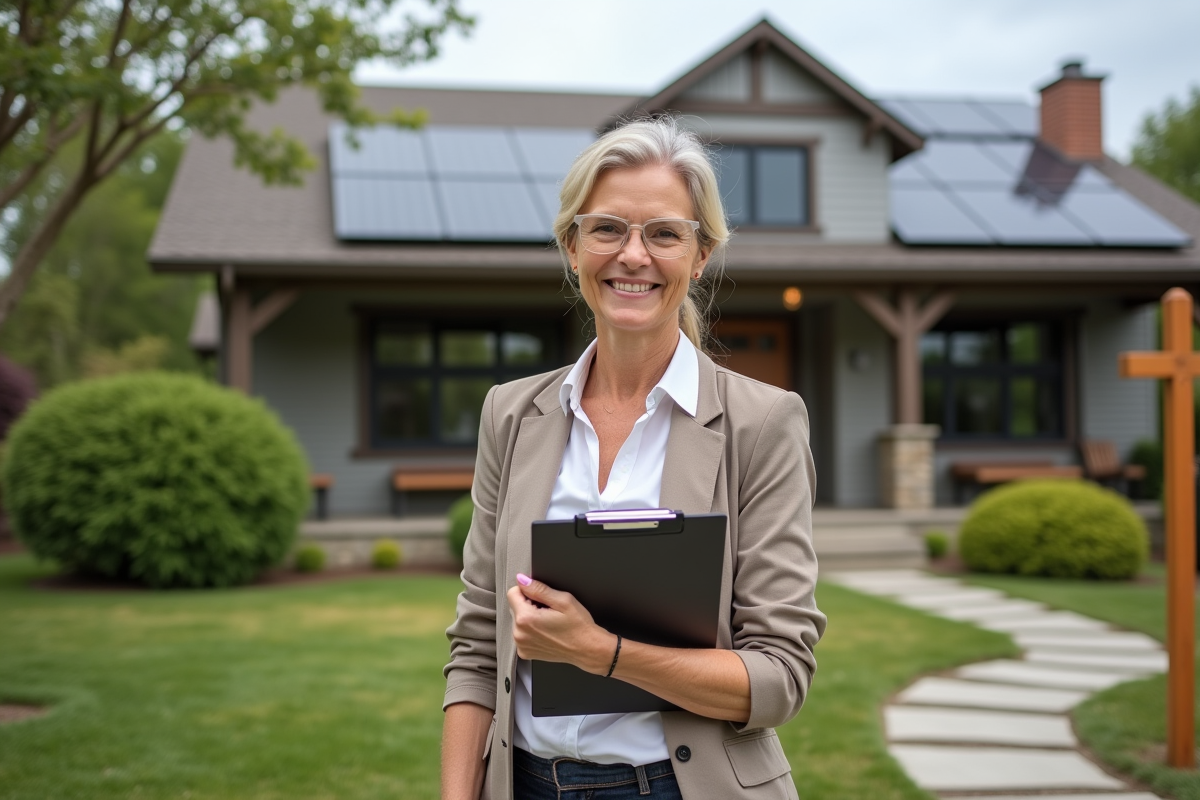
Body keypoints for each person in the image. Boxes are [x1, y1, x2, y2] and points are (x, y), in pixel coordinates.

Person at [441, 117, 825, 800]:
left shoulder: (762, 424)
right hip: (523, 783)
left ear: (700, 254)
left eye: (665, 233)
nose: (634, 256)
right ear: (572, 245)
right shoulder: (511, 413)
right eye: (609, 228)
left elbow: (778, 678)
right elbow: (476, 642)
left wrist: (602, 654)